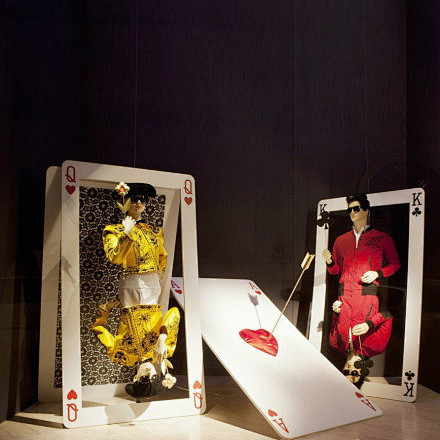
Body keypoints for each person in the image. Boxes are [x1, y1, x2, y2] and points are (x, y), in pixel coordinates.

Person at [91, 183, 180, 383]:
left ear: (135, 377)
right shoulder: (114, 230)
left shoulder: (120, 353)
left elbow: (162, 255)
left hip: (141, 283)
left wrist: (105, 309)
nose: (139, 203)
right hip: (136, 281)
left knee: (134, 308)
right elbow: (115, 257)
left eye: (143, 199)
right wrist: (162, 338)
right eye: (135, 199)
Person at [322, 193, 400, 386]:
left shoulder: (335, 343)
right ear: (363, 370)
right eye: (350, 209)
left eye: (356, 208)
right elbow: (387, 315)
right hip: (366, 297)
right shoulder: (376, 346)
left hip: (346, 295)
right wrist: (369, 325)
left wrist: (336, 309)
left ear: (366, 211)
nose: (352, 213)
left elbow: (395, 264)